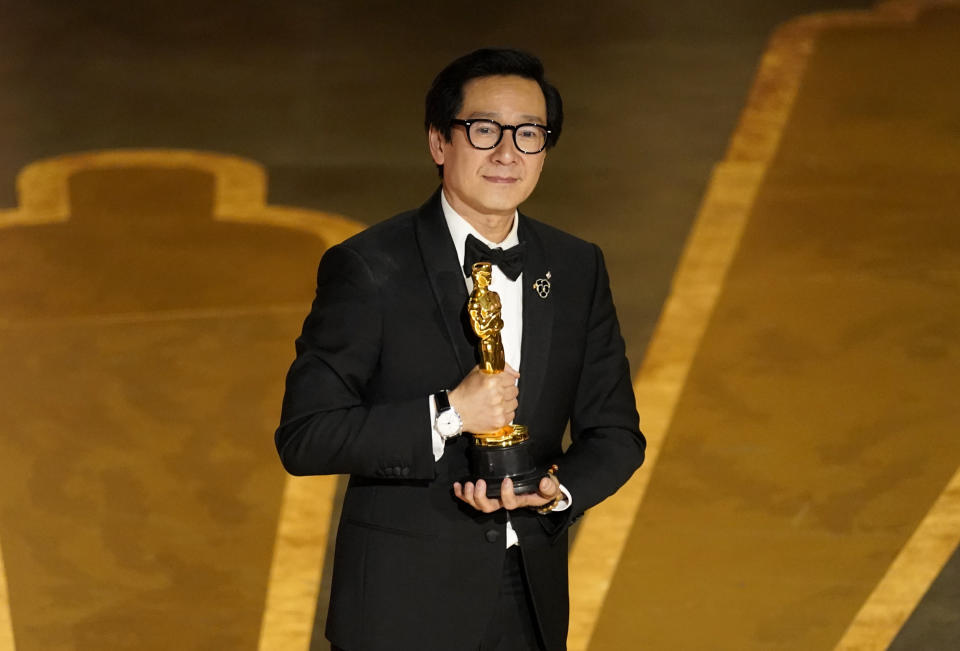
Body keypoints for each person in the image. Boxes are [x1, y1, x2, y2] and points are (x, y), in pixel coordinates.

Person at [275, 47, 645, 651]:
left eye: (528, 133)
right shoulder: (368, 268)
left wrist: (557, 492)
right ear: (439, 143)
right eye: (484, 130)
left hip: (530, 602)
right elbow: (305, 435)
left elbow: (617, 434)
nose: (507, 153)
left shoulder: (578, 266)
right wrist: (448, 415)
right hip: (400, 608)